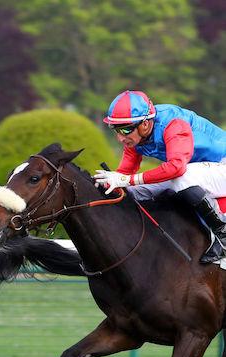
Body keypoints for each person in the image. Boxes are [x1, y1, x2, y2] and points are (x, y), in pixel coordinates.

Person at [93, 90, 226, 263]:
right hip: (201, 173)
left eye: (125, 129)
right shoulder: (135, 135)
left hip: (220, 166)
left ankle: (223, 233)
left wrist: (127, 180)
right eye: (115, 130)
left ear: (145, 124)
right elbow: (126, 173)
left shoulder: (174, 124)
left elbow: (177, 168)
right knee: (131, 191)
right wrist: (109, 183)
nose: (120, 138)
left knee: (183, 177)